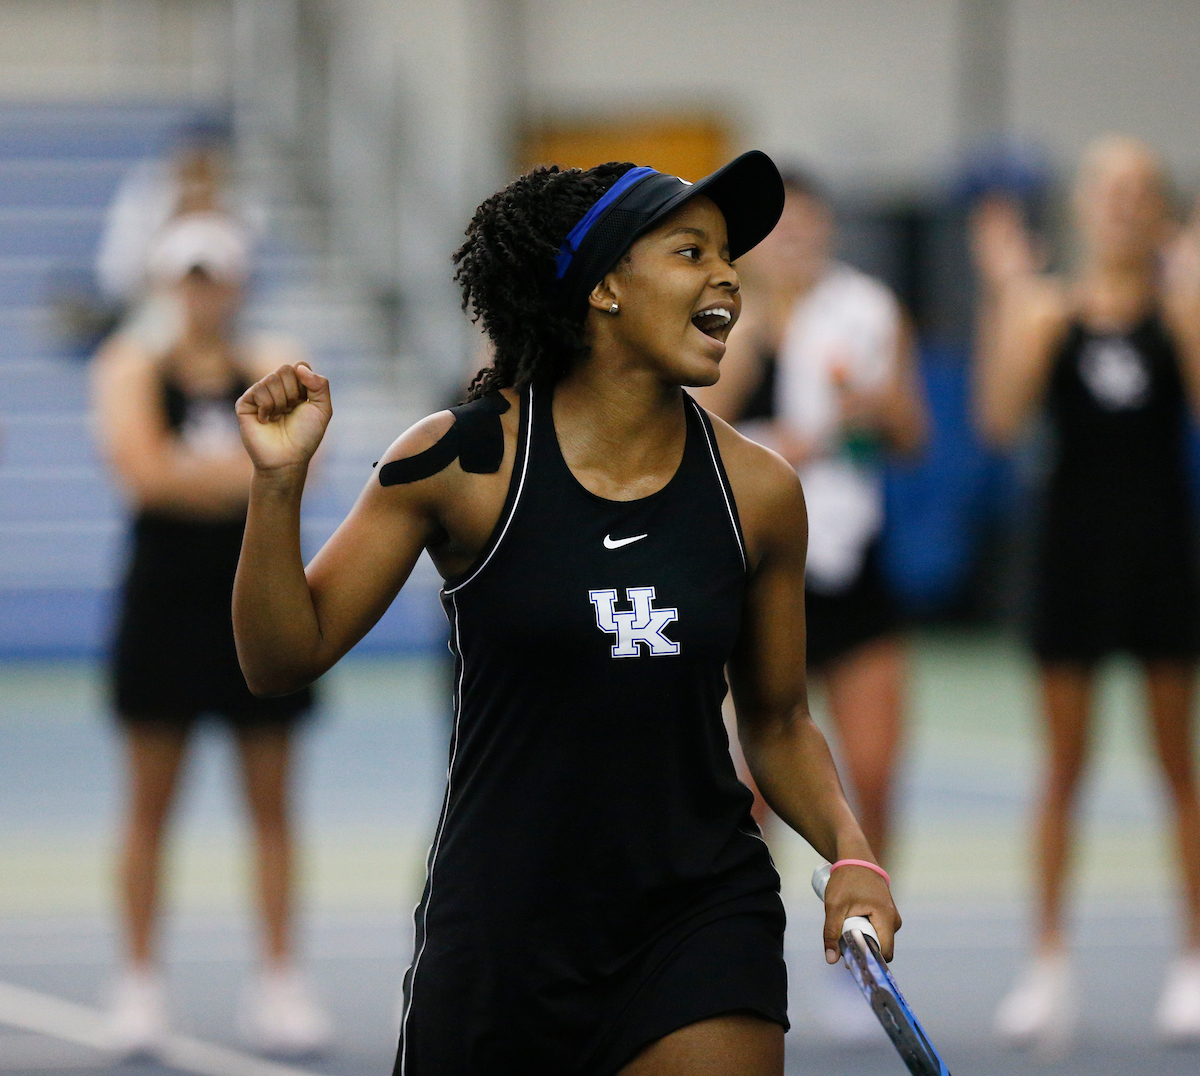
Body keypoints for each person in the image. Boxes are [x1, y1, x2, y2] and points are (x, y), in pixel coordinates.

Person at [231, 152, 901, 1075]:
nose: (727, 275)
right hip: (503, 929)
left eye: (728, 255)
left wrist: (852, 854)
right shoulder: (459, 462)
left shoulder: (761, 492)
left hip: (698, 914)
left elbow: (779, 721)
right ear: (605, 289)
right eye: (689, 251)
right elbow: (280, 656)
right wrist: (277, 486)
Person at [973, 135, 1200, 1045]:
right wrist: (1007, 299)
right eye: (1105, 189)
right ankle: (1049, 967)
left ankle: (1191, 962)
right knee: (1062, 770)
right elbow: (996, 422)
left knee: (1175, 767)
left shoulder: (1178, 313)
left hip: (1161, 559)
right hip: (1069, 560)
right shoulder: (1045, 312)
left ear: (1158, 210)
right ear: (1080, 206)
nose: (1120, 204)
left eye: (1138, 191)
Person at [92, 213, 331, 1057]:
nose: (202, 294)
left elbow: (305, 464)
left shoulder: (267, 363)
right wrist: (247, 478)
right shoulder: (133, 364)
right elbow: (144, 472)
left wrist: (217, 478)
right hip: (164, 605)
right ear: (166, 283)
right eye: (188, 277)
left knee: (270, 803)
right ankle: (139, 982)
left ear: (235, 283)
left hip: (256, 600)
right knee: (148, 804)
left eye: (214, 276)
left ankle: (279, 978)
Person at [695, 169, 927, 867]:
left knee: (876, 771)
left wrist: (877, 408)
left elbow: (915, 436)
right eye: (780, 225)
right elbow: (693, 426)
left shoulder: (866, 310)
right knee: (751, 782)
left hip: (849, 558)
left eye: (808, 222)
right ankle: (742, 930)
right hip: (755, 565)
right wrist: (759, 331)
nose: (795, 237)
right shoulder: (718, 313)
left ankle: (866, 929)